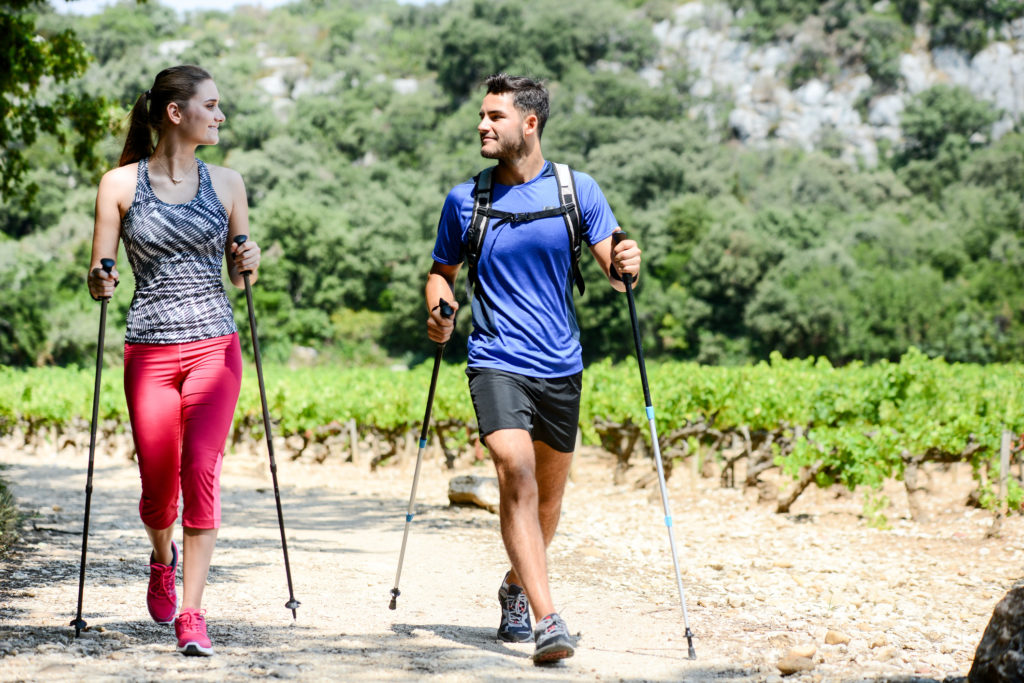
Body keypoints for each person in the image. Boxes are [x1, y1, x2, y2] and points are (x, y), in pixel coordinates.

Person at [425, 73, 642, 664]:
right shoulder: (464, 200)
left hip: (560, 364)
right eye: (481, 115)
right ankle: (550, 621)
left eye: (494, 116)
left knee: (547, 503)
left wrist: (629, 260)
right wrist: (438, 308)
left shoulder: (577, 190)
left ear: (530, 123)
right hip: (496, 359)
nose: (481, 126)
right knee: (513, 472)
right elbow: (441, 271)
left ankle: (516, 589)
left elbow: (616, 269)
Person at [86, 65, 260, 657]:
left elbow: (240, 277)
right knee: (159, 491)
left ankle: (193, 611)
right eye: (211, 105)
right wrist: (100, 277)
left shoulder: (229, 182)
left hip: (215, 346)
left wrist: (248, 259)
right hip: (149, 352)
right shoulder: (118, 185)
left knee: (201, 475)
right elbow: (100, 272)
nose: (221, 115)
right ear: (176, 113)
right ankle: (162, 559)